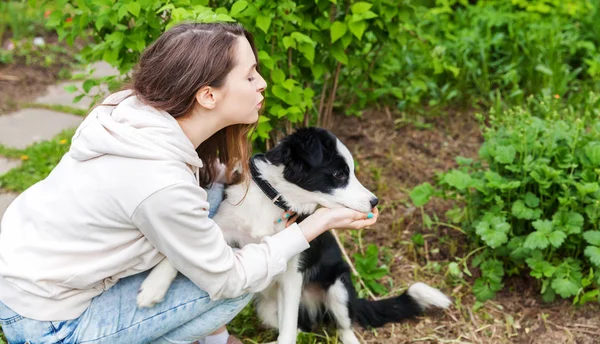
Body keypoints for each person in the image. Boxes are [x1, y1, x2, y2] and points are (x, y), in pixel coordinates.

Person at [0, 22, 379, 344]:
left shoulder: (134, 113)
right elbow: (228, 278)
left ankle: (210, 337)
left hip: (25, 282)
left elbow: (208, 189)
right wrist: (318, 223)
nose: (262, 83)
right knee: (240, 282)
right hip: (51, 325)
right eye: (249, 75)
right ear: (208, 95)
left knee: (216, 194)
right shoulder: (159, 183)